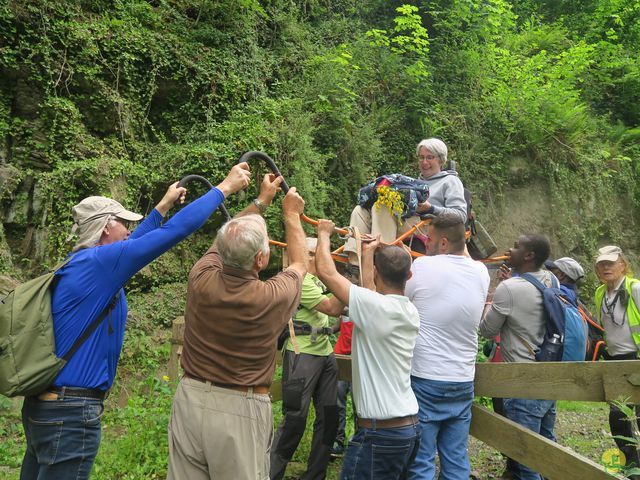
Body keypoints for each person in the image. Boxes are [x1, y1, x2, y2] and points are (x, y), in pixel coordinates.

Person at [19, 163, 252, 480]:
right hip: (71, 415)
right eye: (123, 223)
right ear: (105, 228)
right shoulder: (102, 265)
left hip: (46, 408)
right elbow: (173, 233)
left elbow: (136, 241)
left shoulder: (85, 263)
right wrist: (224, 187)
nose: (129, 228)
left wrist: (163, 205)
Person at [167, 175, 308, 480]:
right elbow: (299, 263)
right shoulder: (270, 296)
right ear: (261, 259)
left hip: (190, 397)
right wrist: (291, 214)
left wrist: (260, 202)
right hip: (239, 409)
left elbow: (225, 238)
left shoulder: (200, 276)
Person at [315, 219, 421, 480]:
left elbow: (327, 273)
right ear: (409, 275)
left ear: (375, 272)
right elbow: (371, 293)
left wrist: (323, 234)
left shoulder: (376, 307)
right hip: (408, 428)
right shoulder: (408, 310)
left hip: (380, 435)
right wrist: (368, 252)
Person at [405, 212, 490, 480]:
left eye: (428, 238)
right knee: (455, 458)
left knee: (422, 460)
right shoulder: (481, 272)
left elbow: (401, 303)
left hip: (426, 377)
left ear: (442, 243)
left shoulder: (420, 268)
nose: (425, 244)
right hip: (463, 379)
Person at [479, 234, 558, 480]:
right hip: (550, 376)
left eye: (515, 247)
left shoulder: (509, 288)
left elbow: (487, 330)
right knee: (547, 451)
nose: (508, 249)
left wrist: (494, 295)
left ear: (529, 255)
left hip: (522, 382)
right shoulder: (551, 279)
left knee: (526, 461)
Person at [270, 237, 345, 480]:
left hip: (325, 354)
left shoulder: (320, 281)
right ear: (308, 256)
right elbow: (333, 308)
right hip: (301, 355)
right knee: (295, 418)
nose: (324, 257)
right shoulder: (300, 282)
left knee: (330, 417)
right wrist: (349, 284)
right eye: (317, 253)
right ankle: (271, 474)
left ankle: (315, 475)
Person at [344, 138, 466, 264]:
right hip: (404, 220)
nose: (424, 162)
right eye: (421, 157)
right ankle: (354, 262)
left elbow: (461, 216)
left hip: (427, 225)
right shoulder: (413, 183)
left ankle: (382, 258)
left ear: (441, 160)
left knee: (384, 207)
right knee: (360, 210)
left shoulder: (450, 181)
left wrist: (430, 208)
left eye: (430, 157)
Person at [593, 245, 640, 477]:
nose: (605, 267)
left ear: (623, 264)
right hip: (614, 360)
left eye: (610, 263)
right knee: (618, 414)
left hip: (637, 358)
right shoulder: (600, 293)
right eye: (601, 264)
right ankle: (632, 464)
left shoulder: (635, 288)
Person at [331, 312, 355, 457]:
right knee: (337, 401)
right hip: (341, 356)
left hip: (359, 358)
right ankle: (337, 441)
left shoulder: (369, 299)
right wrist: (325, 330)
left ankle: (360, 440)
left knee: (360, 404)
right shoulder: (345, 301)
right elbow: (339, 324)